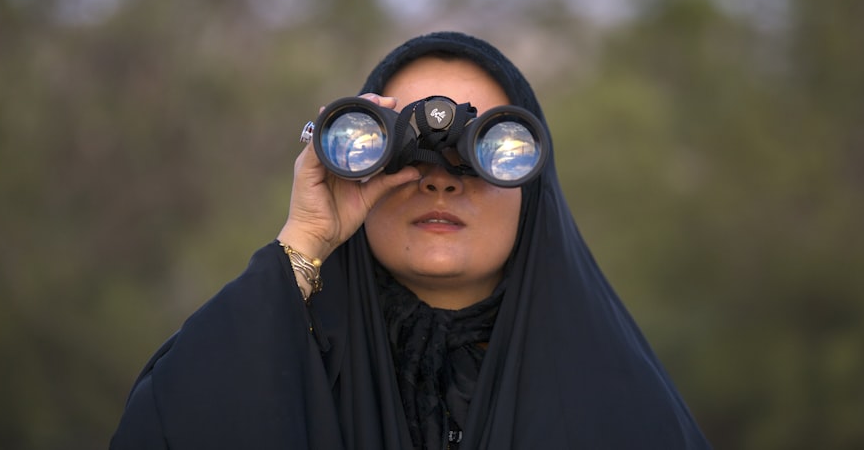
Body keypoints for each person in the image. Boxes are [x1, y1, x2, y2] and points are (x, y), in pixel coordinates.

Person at [110, 31, 711, 449]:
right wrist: (308, 237)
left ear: (534, 188)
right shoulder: (291, 362)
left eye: (486, 152)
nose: (440, 182)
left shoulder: (609, 397)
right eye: (405, 154)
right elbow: (167, 427)